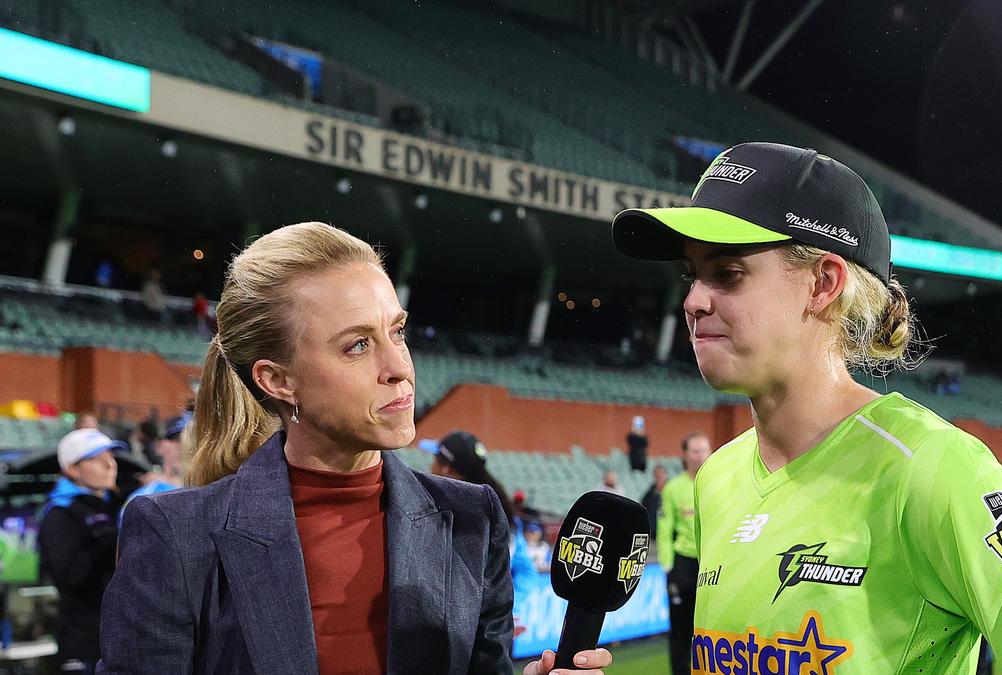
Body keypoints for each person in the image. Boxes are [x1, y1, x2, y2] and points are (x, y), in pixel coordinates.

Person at [612, 143, 1002, 672]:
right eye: (692, 275)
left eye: (727, 273)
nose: (693, 301)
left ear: (823, 284)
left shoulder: (930, 466)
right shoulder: (718, 477)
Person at [98, 222, 608, 675]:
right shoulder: (173, 536)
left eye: (397, 332)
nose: (398, 367)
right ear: (278, 381)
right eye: (357, 345)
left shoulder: (472, 519)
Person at [39, 428, 120, 675]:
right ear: (72, 469)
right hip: (82, 639)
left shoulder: (112, 505)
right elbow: (70, 576)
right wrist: (108, 540)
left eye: (111, 456)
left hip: (113, 634)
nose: (109, 465)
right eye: (97, 459)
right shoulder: (59, 513)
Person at [657, 432, 712, 675]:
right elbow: (665, 527)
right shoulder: (673, 488)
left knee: (711, 627)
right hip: (683, 565)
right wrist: (668, 564)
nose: (700, 455)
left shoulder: (719, 481)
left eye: (704, 450)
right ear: (685, 455)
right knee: (680, 629)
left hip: (711, 563)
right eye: (695, 451)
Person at [120, 412, 190, 525]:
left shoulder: (214, 492)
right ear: (159, 446)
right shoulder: (143, 498)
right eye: (178, 439)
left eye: (192, 439)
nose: (185, 445)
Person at [641, 465, 669, 539]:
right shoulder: (648, 495)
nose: (659, 477)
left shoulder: (672, 492)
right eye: (657, 475)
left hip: (670, 536)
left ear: (666, 475)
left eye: (661, 475)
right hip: (653, 536)